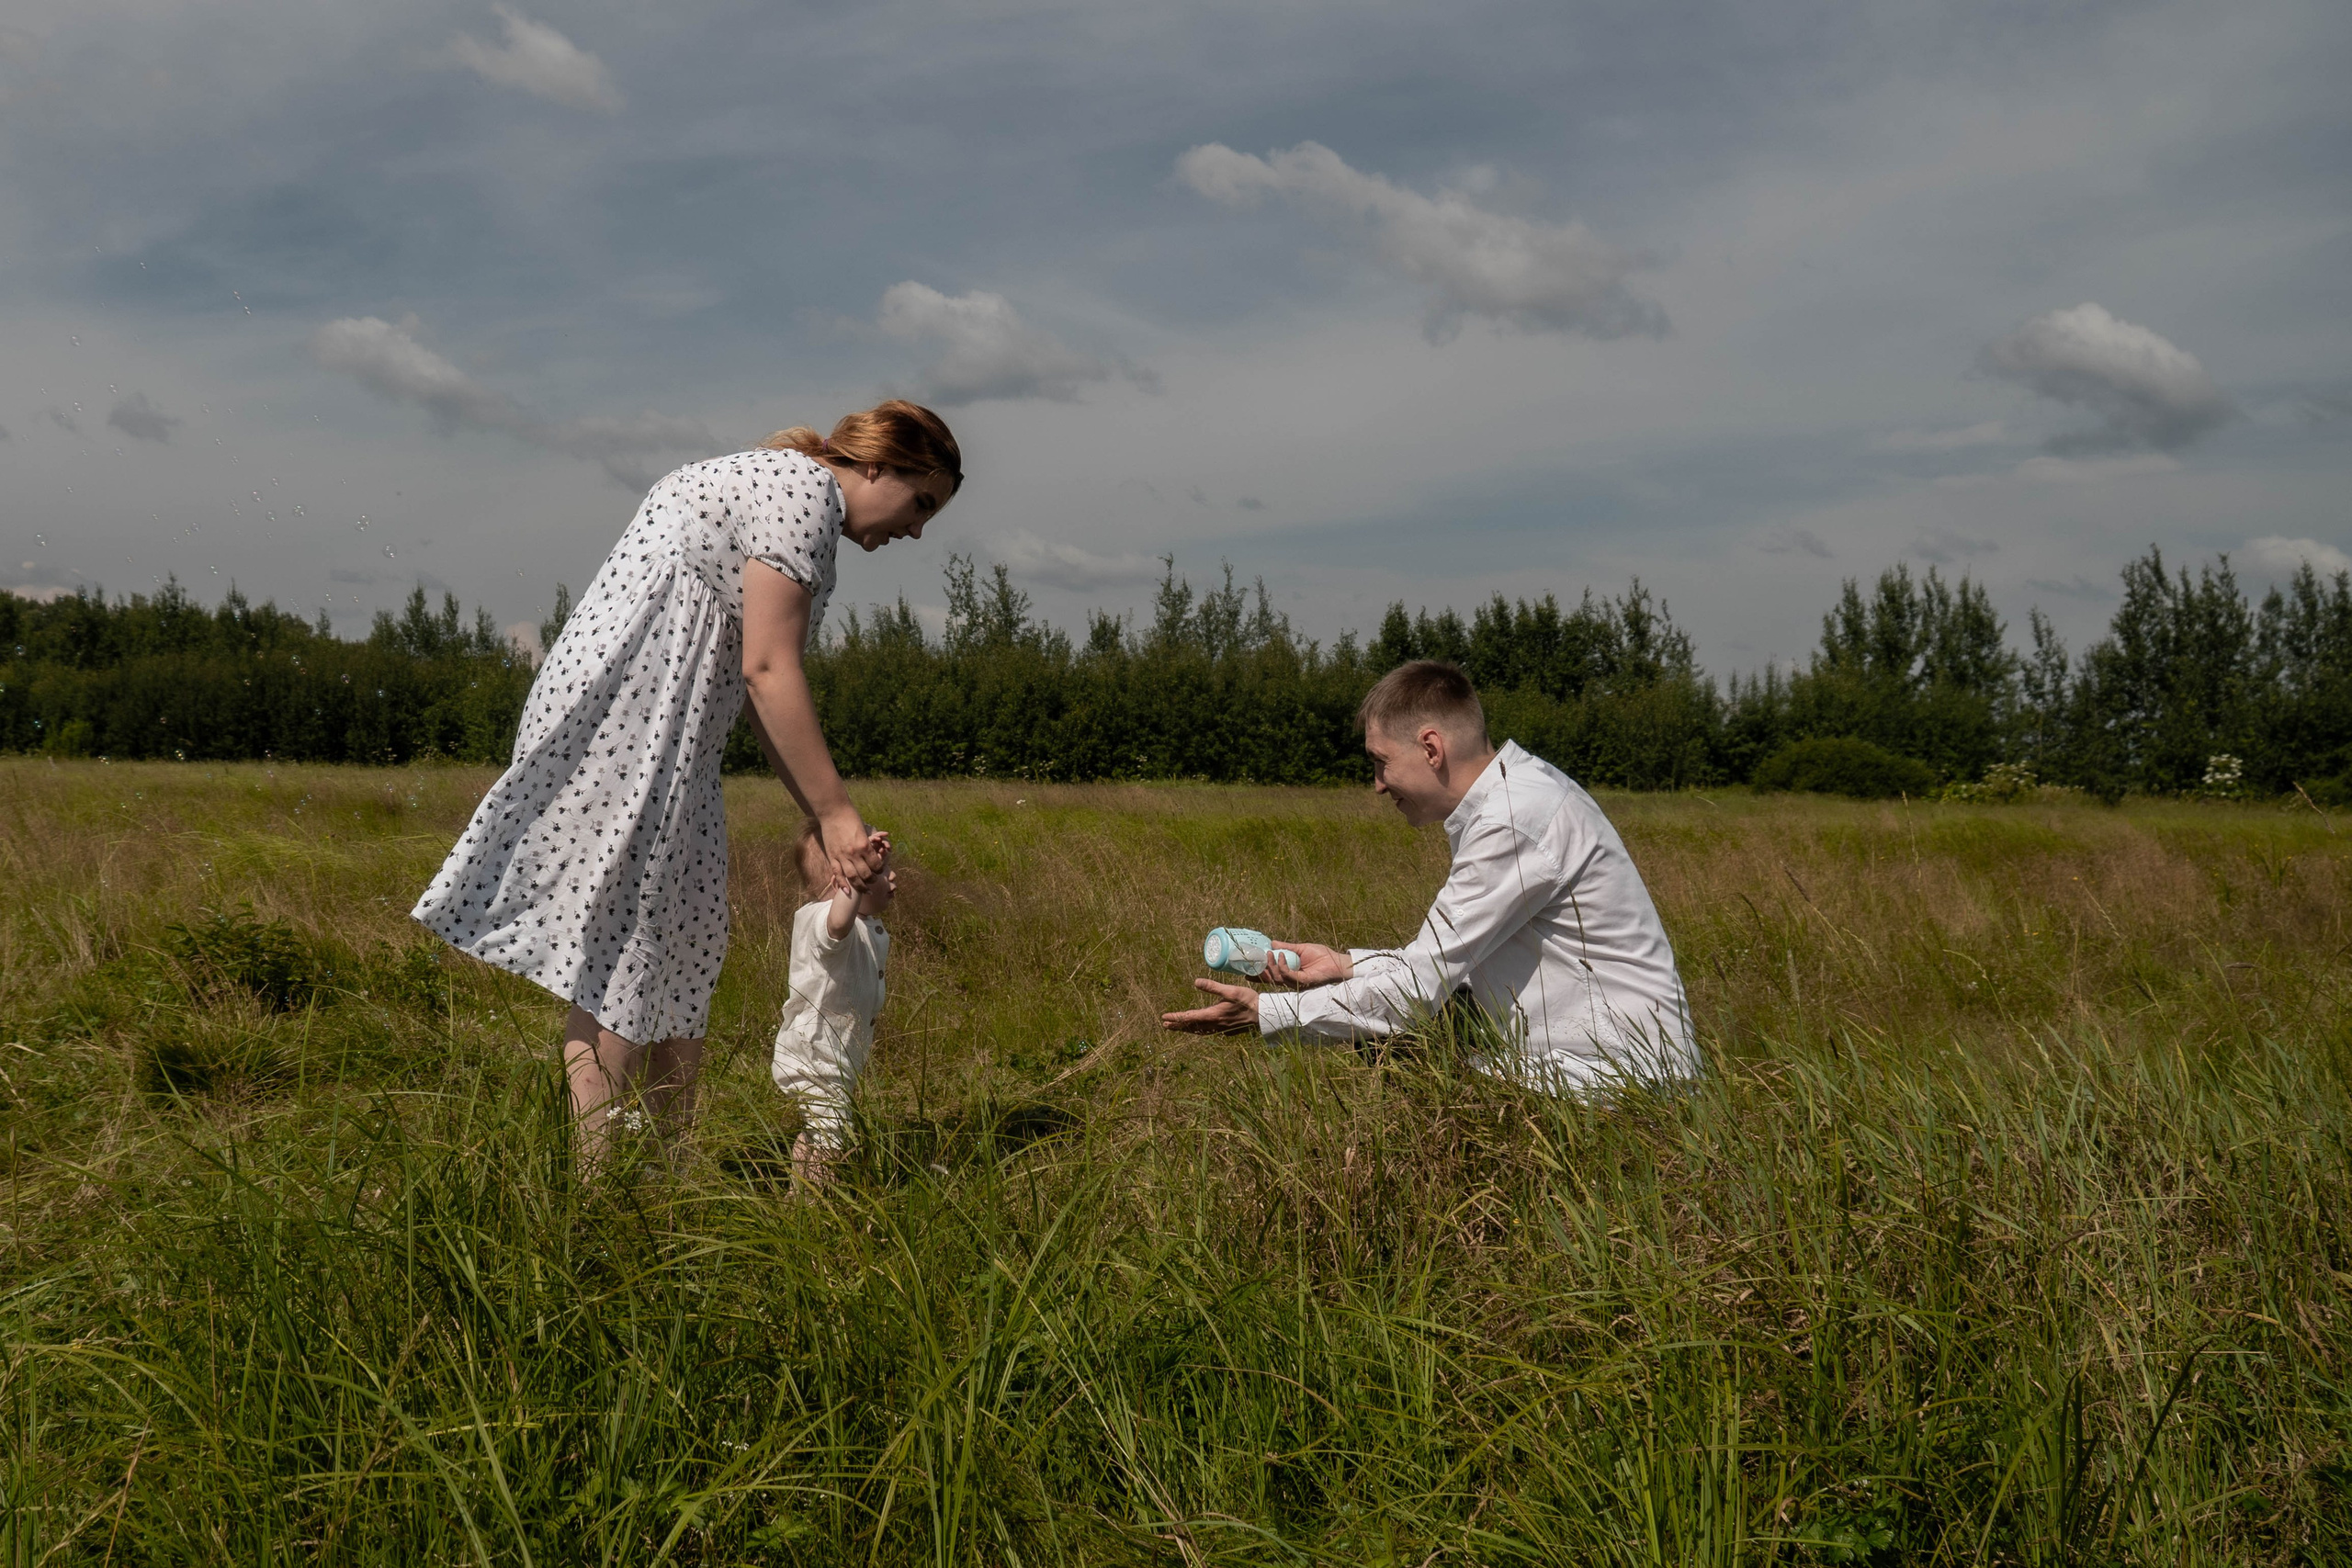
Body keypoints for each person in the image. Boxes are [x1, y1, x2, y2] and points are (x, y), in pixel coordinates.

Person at [411, 400, 961, 1166]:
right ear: (876, 466)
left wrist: (826, 818)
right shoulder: (802, 491)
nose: (917, 529)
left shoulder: (797, 504)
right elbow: (768, 669)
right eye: (921, 502)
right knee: (626, 949)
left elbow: (765, 686)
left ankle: (666, 1172)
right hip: (629, 726)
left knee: (689, 939)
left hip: (673, 741)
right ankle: (603, 1195)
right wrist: (836, 816)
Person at [1161, 660, 1700, 1092]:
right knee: (1395, 1046)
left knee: (1396, 1051)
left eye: (1380, 761)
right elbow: (1444, 965)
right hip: (1597, 1068)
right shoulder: (1515, 798)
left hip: (1619, 1082)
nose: (1376, 784)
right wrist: (1346, 965)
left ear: (1431, 748)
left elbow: (1420, 989)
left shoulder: (1515, 820)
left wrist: (1269, 1013)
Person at [770, 818, 895, 1183]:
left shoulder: (862, 923)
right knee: (832, 1138)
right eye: (881, 871)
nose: (892, 879)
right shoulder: (823, 919)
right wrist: (856, 878)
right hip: (815, 1055)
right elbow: (839, 924)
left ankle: (800, 1193)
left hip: (835, 1057)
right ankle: (816, 1208)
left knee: (822, 1130)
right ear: (844, 882)